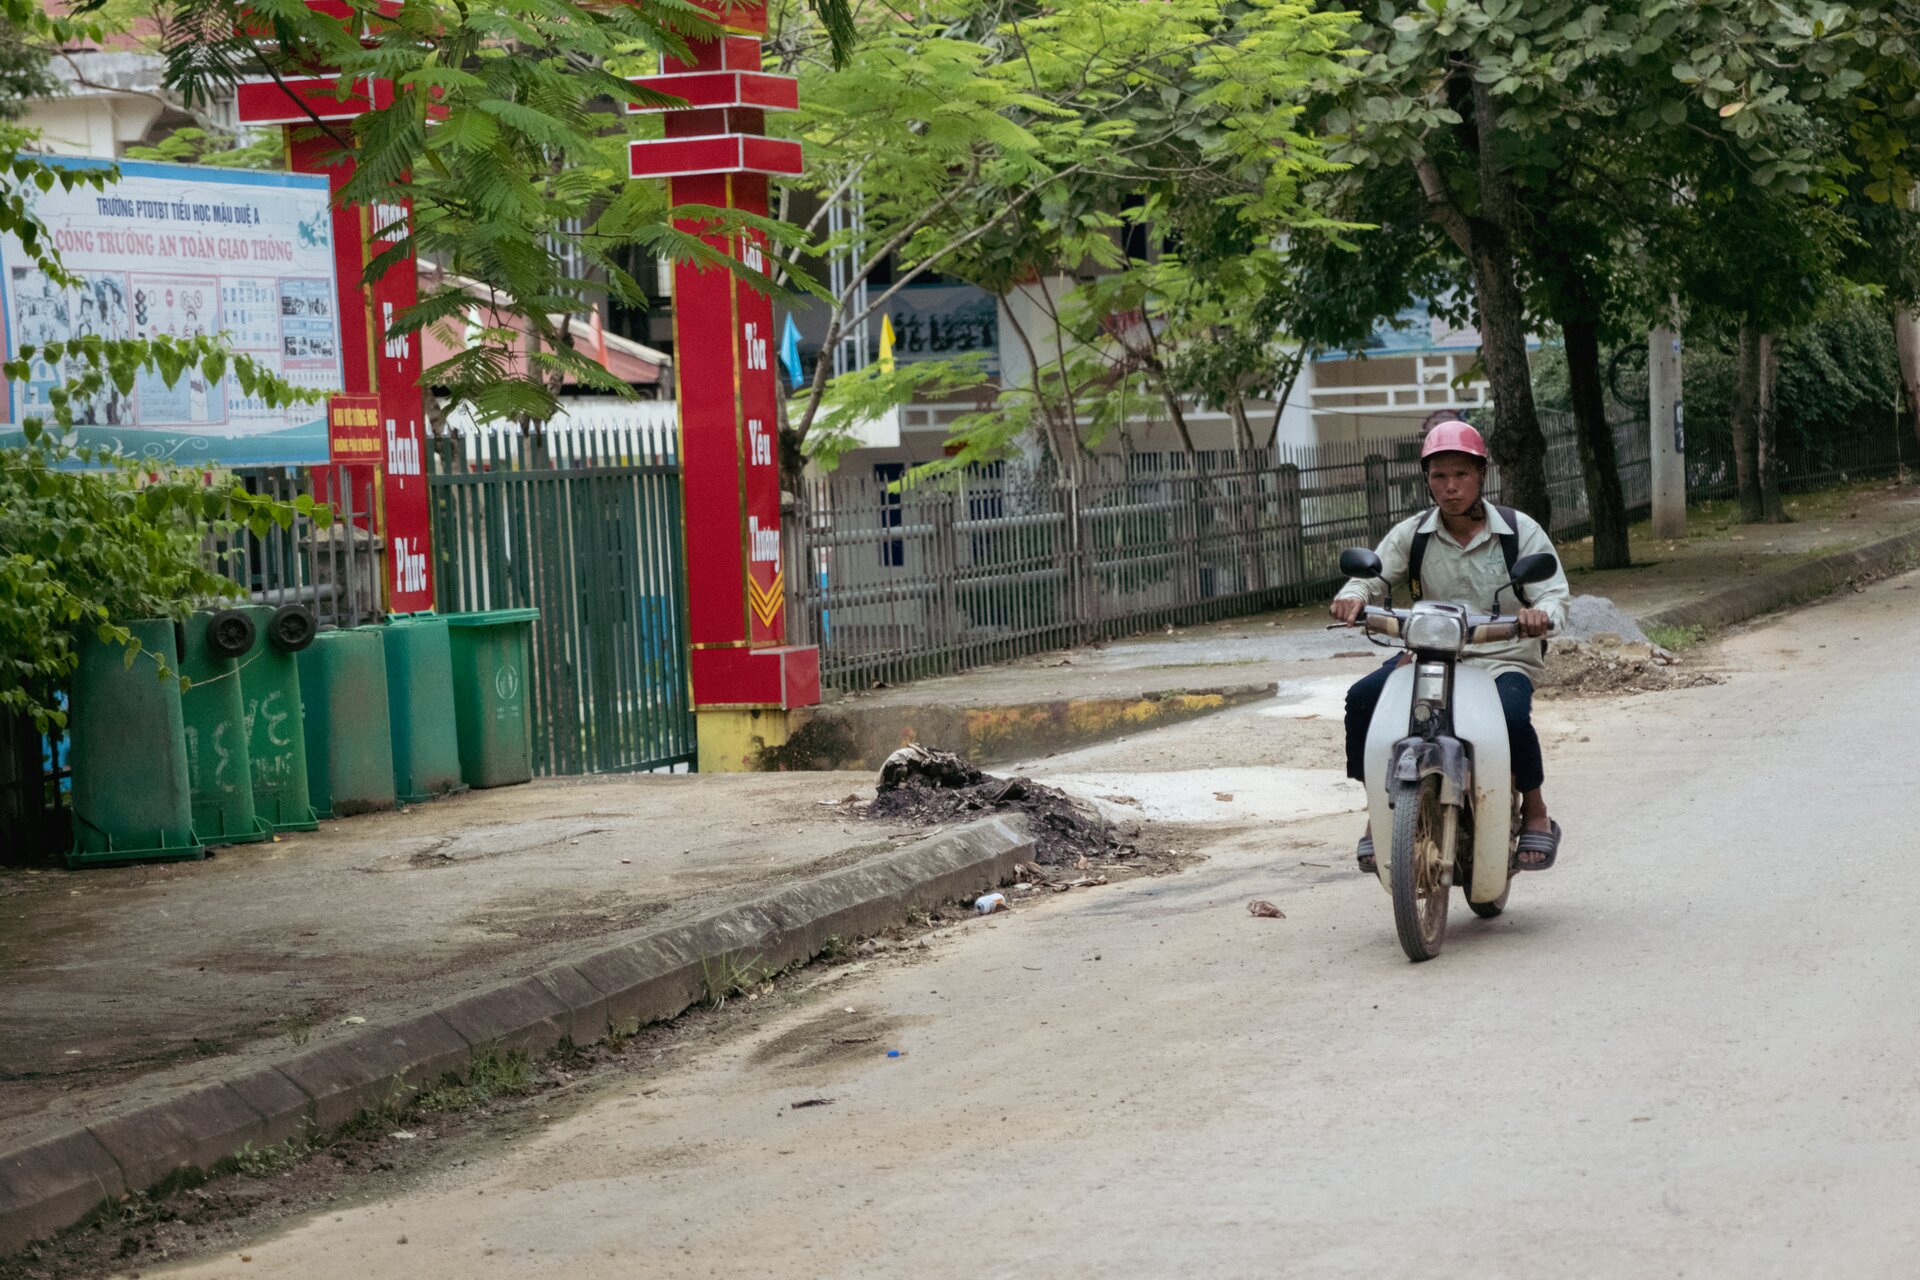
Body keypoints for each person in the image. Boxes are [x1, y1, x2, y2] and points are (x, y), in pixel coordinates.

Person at [1329, 420, 1571, 874]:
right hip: (1429, 654)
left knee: (1512, 716)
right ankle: (1377, 813)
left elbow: (1554, 593)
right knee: (1362, 700)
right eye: (1439, 476)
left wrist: (1540, 615)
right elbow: (1371, 574)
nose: (1450, 487)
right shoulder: (1413, 533)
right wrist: (1354, 596)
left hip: (1500, 656)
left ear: (1481, 475)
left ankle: (1536, 809)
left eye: (1460, 474)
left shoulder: (1520, 531)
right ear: (1427, 480)